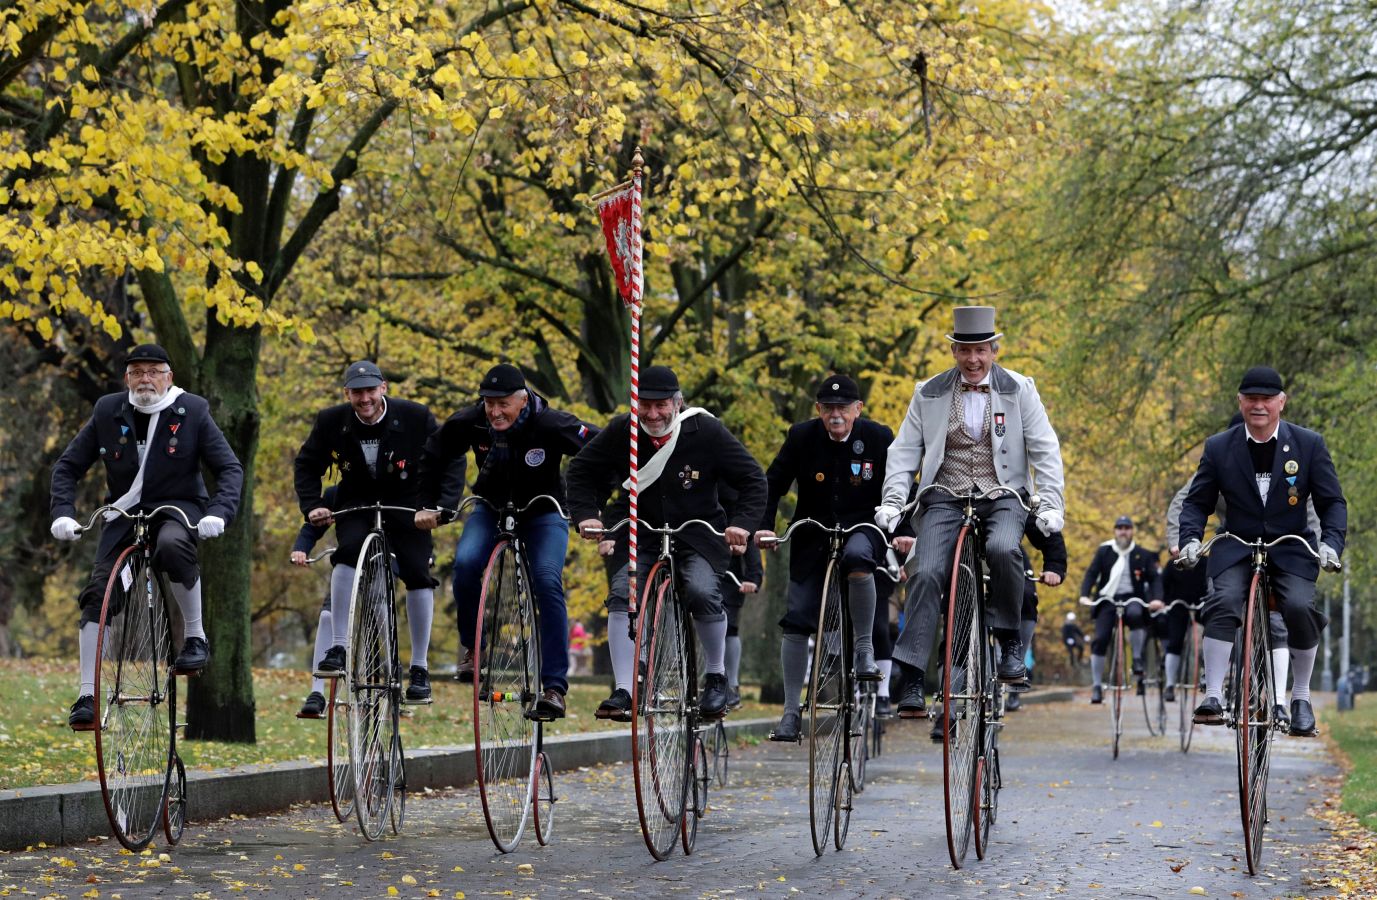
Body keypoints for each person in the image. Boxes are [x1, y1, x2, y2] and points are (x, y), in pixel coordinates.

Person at [875, 306, 1065, 720]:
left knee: (1002, 548)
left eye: (981, 350)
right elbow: (904, 452)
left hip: (1004, 494)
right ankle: (910, 675)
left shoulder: (1019, 389)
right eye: (965, 350)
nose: (973, 359)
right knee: (924, 570)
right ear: (955, 352)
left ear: (994, 350)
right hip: (944, 493)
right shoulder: (929, 391)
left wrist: (1051, 504)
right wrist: (893, 502)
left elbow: (1045, 450)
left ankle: (1010, 641)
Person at [50, 344, 244, 729]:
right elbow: (68, 466)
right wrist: (62, 514)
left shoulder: (193, 411)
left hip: (177, 508)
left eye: (154, 371)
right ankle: (87, 694)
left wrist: (218, 513)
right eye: (137, 372)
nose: (145, 379)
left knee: (172, 546)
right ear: (127, 379)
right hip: (124, 515)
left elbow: (229, 468)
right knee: (97, 592)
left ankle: (195, 637)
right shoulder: (108, 411)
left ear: (169, 377)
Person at [567, 365, 767, 721]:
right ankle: (626, 687)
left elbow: (753, 479)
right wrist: (587, 514)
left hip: (698, 532)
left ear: (677, 403)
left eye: (662, 405)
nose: (653, 414)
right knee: (622, 593)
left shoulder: (705, 430)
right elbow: (581, 471)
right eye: (645, 405)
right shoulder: (622, 430)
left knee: (703, 590)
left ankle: (717, 677)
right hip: (637, 531)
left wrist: (743, 525)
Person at [416, 363, 598, 719]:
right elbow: (433, 453)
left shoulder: (550, 423)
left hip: (544, 510)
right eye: (489, 404)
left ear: (522, 399)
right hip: (490, 506)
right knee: (466, 564)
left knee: (547, 580)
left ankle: (554, 687)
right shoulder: (471, 421)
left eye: (503, 404)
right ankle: (473, 649)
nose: (495, 412)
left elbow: (598, 450)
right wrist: (427, 504)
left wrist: (588, 508)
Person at [1180, 366, 1346, 737]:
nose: (1259, 405)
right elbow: (1196, 503)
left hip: (1290, 547)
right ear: (1240, 402)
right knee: (1222, 600)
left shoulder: (1309, 444)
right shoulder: (1219, 447)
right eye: (1251, 398)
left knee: (1300, 607)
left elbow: (1332, 502)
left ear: (1281, 403)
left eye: (1267, 399)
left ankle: (1299, 698)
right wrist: (1191, 538)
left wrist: (1331, 545)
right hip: (1236, 544)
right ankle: (1213, 696)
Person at [755, 374, 900, 742]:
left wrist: (903, 531)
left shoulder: (879, 437)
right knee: (797, 618)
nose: (836, 416)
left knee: (857, 556)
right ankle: (790, 713)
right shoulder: (802, 436)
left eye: (843, 409)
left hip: (865, 527)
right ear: (819, 410)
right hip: (811, 533)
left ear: (857, 409)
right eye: (828, 409)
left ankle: (864, 650)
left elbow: (902, 485)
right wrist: (764, 526)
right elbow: (773, 481)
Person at [295, 361, 439, 703]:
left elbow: (445, 460)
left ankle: (419, 667)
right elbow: (307, 463)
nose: (365, 399)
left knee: (418, 570)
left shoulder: (416, 417)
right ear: (347, 394)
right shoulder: (331, 421)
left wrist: (436, 506)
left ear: (384, 388)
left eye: (370, 390)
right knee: (347, 551)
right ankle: (340, 648)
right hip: (356, 499)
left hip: (406, 502)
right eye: (357, 392)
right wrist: (312, 504)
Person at [1079, 515, 1162, 704]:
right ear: (1115, 531)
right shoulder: (1104, 552)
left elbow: (1154, 579)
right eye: (1119, 528)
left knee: (1135, 614)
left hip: (1133, 598)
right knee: (1100, 638)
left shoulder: (1142, 554)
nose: (1123, 531)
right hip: (1108, 599)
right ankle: (1097, 686)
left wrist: (1157, 599)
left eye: (1127, 528)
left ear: (1132, 531)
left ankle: (1137, 659)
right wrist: (1084, 594)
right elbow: (1091, 573)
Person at [1007, 511, 1067, 711]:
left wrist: (1054, 567)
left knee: (1025, 595)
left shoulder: (1010, 493)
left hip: (1009, 552)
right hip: (965, 553)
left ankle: (1017, 669)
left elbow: (1042, 524)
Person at [291, 485, 339, 719]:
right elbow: (312, 527)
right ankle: (317, 692)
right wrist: (300, 548)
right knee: (327, 615)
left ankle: (391, 671)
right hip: (348, 563)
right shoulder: (339, 493)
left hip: (385, 560)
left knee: (382, 611)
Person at [721, 484, 764, 710]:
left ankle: (732, 685)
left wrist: (753, 577)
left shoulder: (735, 493)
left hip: (730, 573)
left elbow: (749, 533)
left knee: (729, 625)